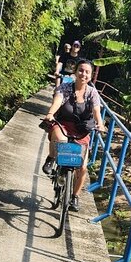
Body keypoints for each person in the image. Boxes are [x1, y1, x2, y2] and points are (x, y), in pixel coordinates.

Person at [42, 59, 106, 212]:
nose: (83, 74)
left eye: (87, 72)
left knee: (82, 167)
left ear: (90, 76)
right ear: (75, 72)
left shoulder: (92, 93)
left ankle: (75, 196)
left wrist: (100, 124)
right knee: (59, 138)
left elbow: (96, 111)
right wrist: (50, 114)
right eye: (81, 70)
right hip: (63, 124)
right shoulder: (65, 87)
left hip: (82, 129)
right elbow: (57, 100)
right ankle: (51, 158)